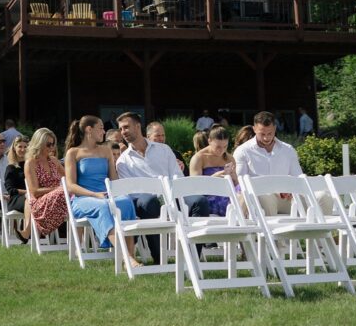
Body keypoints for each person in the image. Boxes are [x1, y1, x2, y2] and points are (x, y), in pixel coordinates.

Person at [116, 112, 208, 263]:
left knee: (199, 201)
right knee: (148, 201)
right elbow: (131, 193)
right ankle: (160, 259)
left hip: (173, 195)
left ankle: (192, 258)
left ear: (138, 126)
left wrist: (172, 195)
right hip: (148, 200)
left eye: (126, 127)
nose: (123, 132)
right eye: (120, 129)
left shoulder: (164, 149)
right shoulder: (122, 161)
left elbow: (177, 177)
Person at [63, 115, 139, 264]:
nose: (104, 132)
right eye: (101, 128)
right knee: (103, 206)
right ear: (89, 130)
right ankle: (127, 258)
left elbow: (114, 180)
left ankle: (131, 255)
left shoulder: (106, 151)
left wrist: (120, 192)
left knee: (126, 201)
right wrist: (94, 194)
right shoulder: (73, 153)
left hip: (105, 195)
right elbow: (71, 185)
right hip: (83, 199)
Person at [234, 111, 309, 217]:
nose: (266, 138)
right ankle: (267, 233)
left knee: (319, 198)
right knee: (266, 198)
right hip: (259, 196)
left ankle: (317, 231)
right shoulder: (243, 151)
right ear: (254, 129)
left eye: (270, 133)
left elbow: (298, 178)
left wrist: (290, 189)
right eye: (262, 134)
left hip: (286, 198)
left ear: (275, 128)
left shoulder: (288, 150)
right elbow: (241, 181)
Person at [19, 128, 67, 244]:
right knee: (65, 191)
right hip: (42, 200)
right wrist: (58, 189)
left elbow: (68, 178)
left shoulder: (54, 160)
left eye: (53, 144)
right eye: (48, 144)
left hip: (59, 198)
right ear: (39, 144)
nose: (52, 147)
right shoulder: (31, 163)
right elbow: (34, 191)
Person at [189, 125, 242, 217]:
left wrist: (234, 178)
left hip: (228, 195)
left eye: (225, 146)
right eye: (218, 147)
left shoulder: (229, 158)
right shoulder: (199, 158)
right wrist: (213, 178)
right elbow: (194, 188)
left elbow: (236, 184)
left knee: (244, 191)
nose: (221, 150)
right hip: (208, 197)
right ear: (209, 141)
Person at [3, 135, 29, 215]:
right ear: (14, 148)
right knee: (31, 200)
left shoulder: (31, 165)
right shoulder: (11, 168)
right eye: (20, 146)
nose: (23, 149)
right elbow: (11, 190)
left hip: (31, 196)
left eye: (25, 147)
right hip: (16, 199)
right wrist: (28, 192)